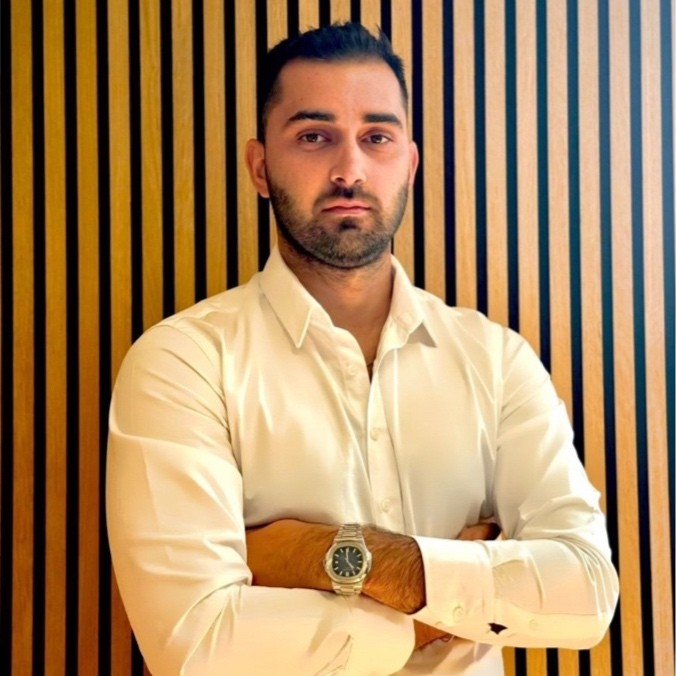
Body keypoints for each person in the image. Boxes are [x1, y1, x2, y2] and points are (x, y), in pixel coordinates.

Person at [106, 22, 619, 675]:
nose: (349, 170)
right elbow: (196, 648)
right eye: (314, 137)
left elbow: (586, 592)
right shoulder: (182, 364)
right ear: (260, 167)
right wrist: (458, 594)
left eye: (377, 137)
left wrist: (323, 556)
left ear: (409, 164)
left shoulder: (496, 361)